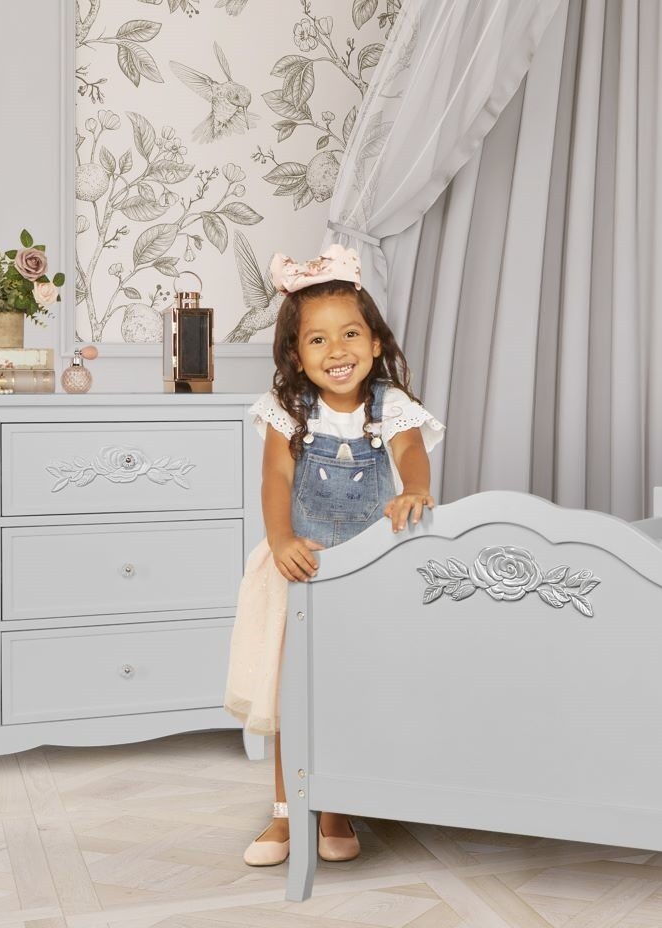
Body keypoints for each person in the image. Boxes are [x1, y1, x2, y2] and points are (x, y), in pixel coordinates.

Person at [223, 244, 444, 866]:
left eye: (349, 334)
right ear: (297, 355)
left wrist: (416, 489)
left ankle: (337, 808)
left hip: (367, 574)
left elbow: (410, 453)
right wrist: (281, 538)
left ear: (374, 342)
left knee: (349, 693)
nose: (336, 350)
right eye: (317, 340)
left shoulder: (390, 406)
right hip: (305, 570)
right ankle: (285, 814)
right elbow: (274, 478)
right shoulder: (290, 410)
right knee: (294, 695)